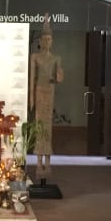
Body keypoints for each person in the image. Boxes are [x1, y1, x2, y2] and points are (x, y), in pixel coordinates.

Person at [28, 16, 64, 174]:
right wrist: (31, 97)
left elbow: (58, 77)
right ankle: (38, 162)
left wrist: (59, 77)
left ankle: (47, 161)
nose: (47, 42)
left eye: (49, 39)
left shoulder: (56, 58)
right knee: (39, 126)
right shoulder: (35, 57)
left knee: (48, 126)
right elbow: (32, 78)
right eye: (44, 39)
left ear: (52, 41)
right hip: (39, 91)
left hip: (49, 92)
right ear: (41, 41)